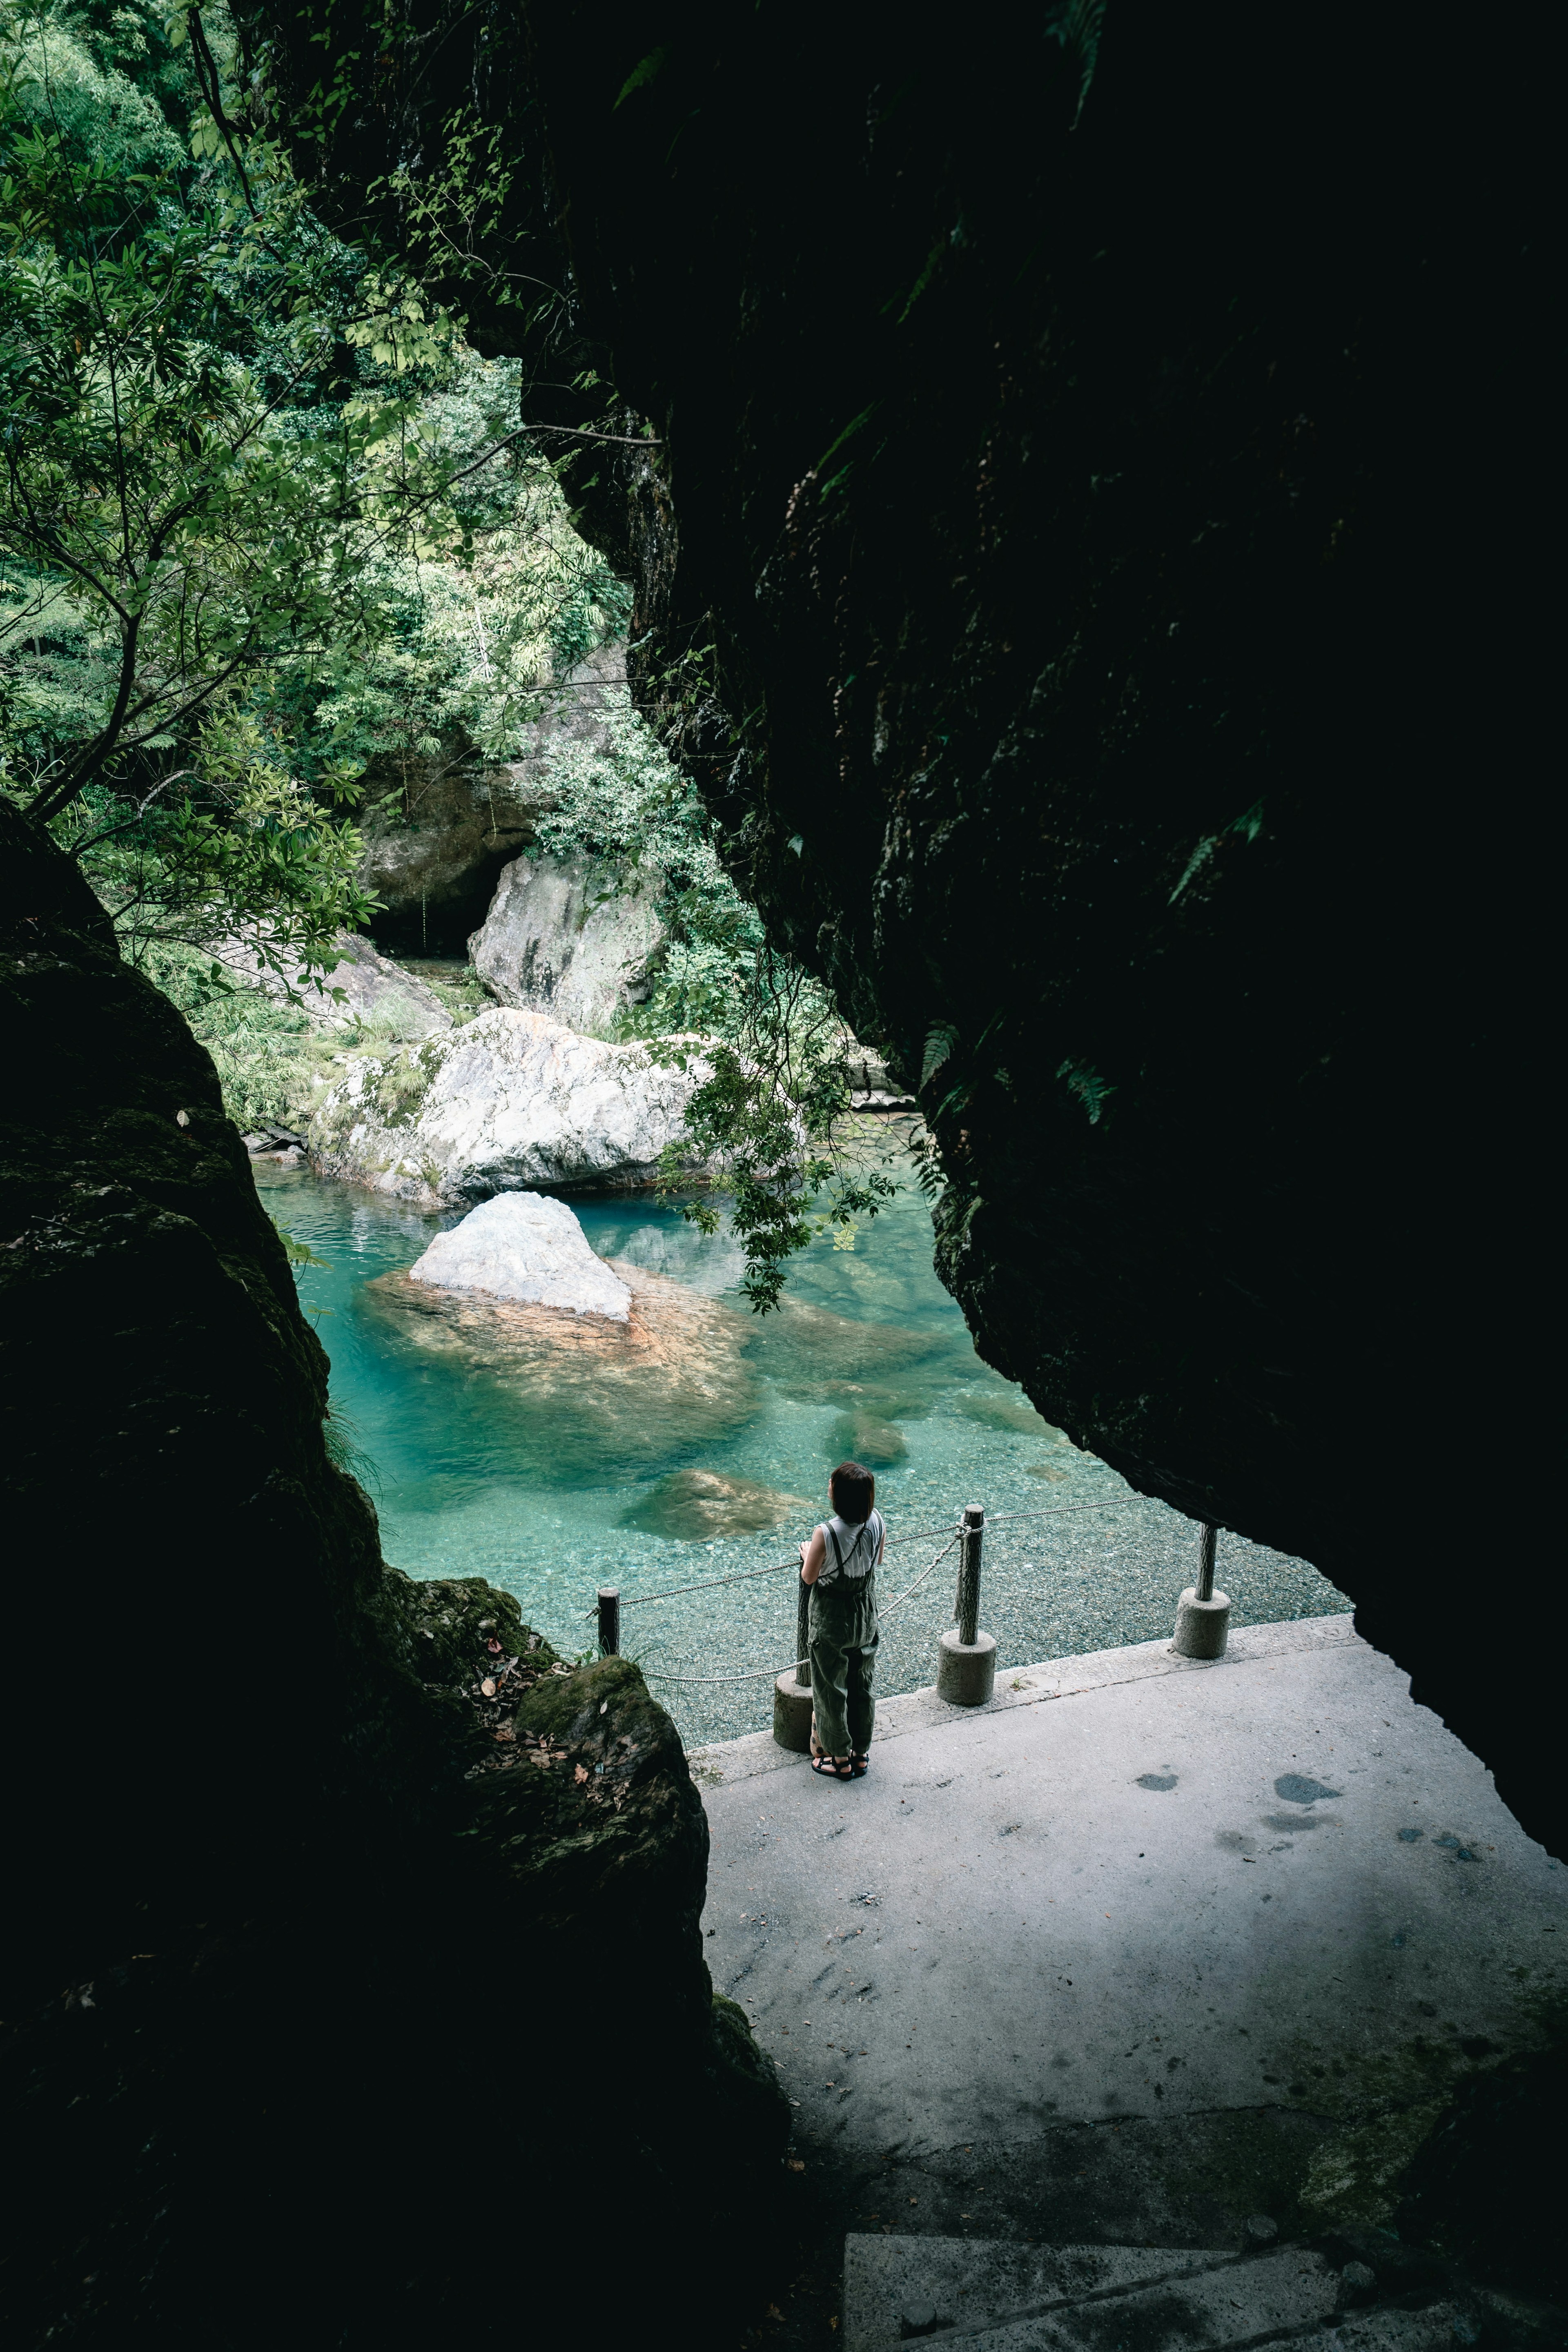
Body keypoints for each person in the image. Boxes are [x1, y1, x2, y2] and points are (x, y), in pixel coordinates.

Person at [798, 1459, 884, 1781]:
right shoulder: (877, 1520)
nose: (829, 1487)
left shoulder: (825, 1533)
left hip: (833, 1619)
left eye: (832, 1484)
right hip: (864, 1614)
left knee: (831, 1688)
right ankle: (861, 1754)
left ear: (838, 1496)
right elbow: (878, 1560)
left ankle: (838, 1759)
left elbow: (809, 1578)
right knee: (862, 1684)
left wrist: (809, 1553)